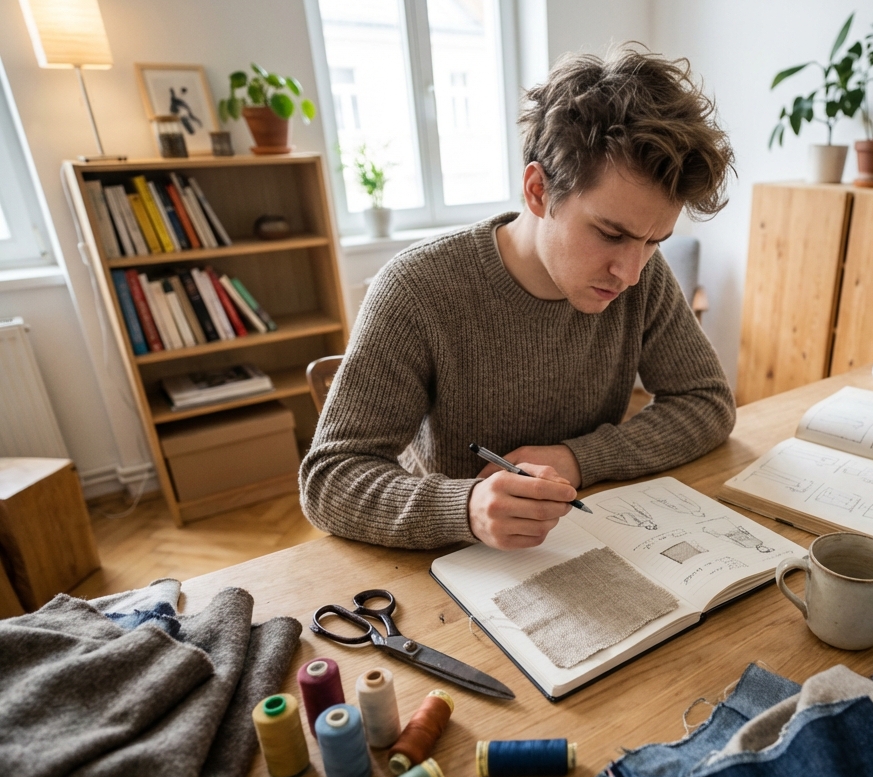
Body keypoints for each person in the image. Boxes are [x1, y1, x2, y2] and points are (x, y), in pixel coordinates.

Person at [300, 47, 737, 551]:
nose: (631, 273)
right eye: (611, 234)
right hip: (445, 561)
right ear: (537, 190)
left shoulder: (643, 275)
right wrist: (465, 508)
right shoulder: (416, 289)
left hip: (581, 537)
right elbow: (330, 477)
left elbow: (707, 403)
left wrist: (575, 458)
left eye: (654, 241)